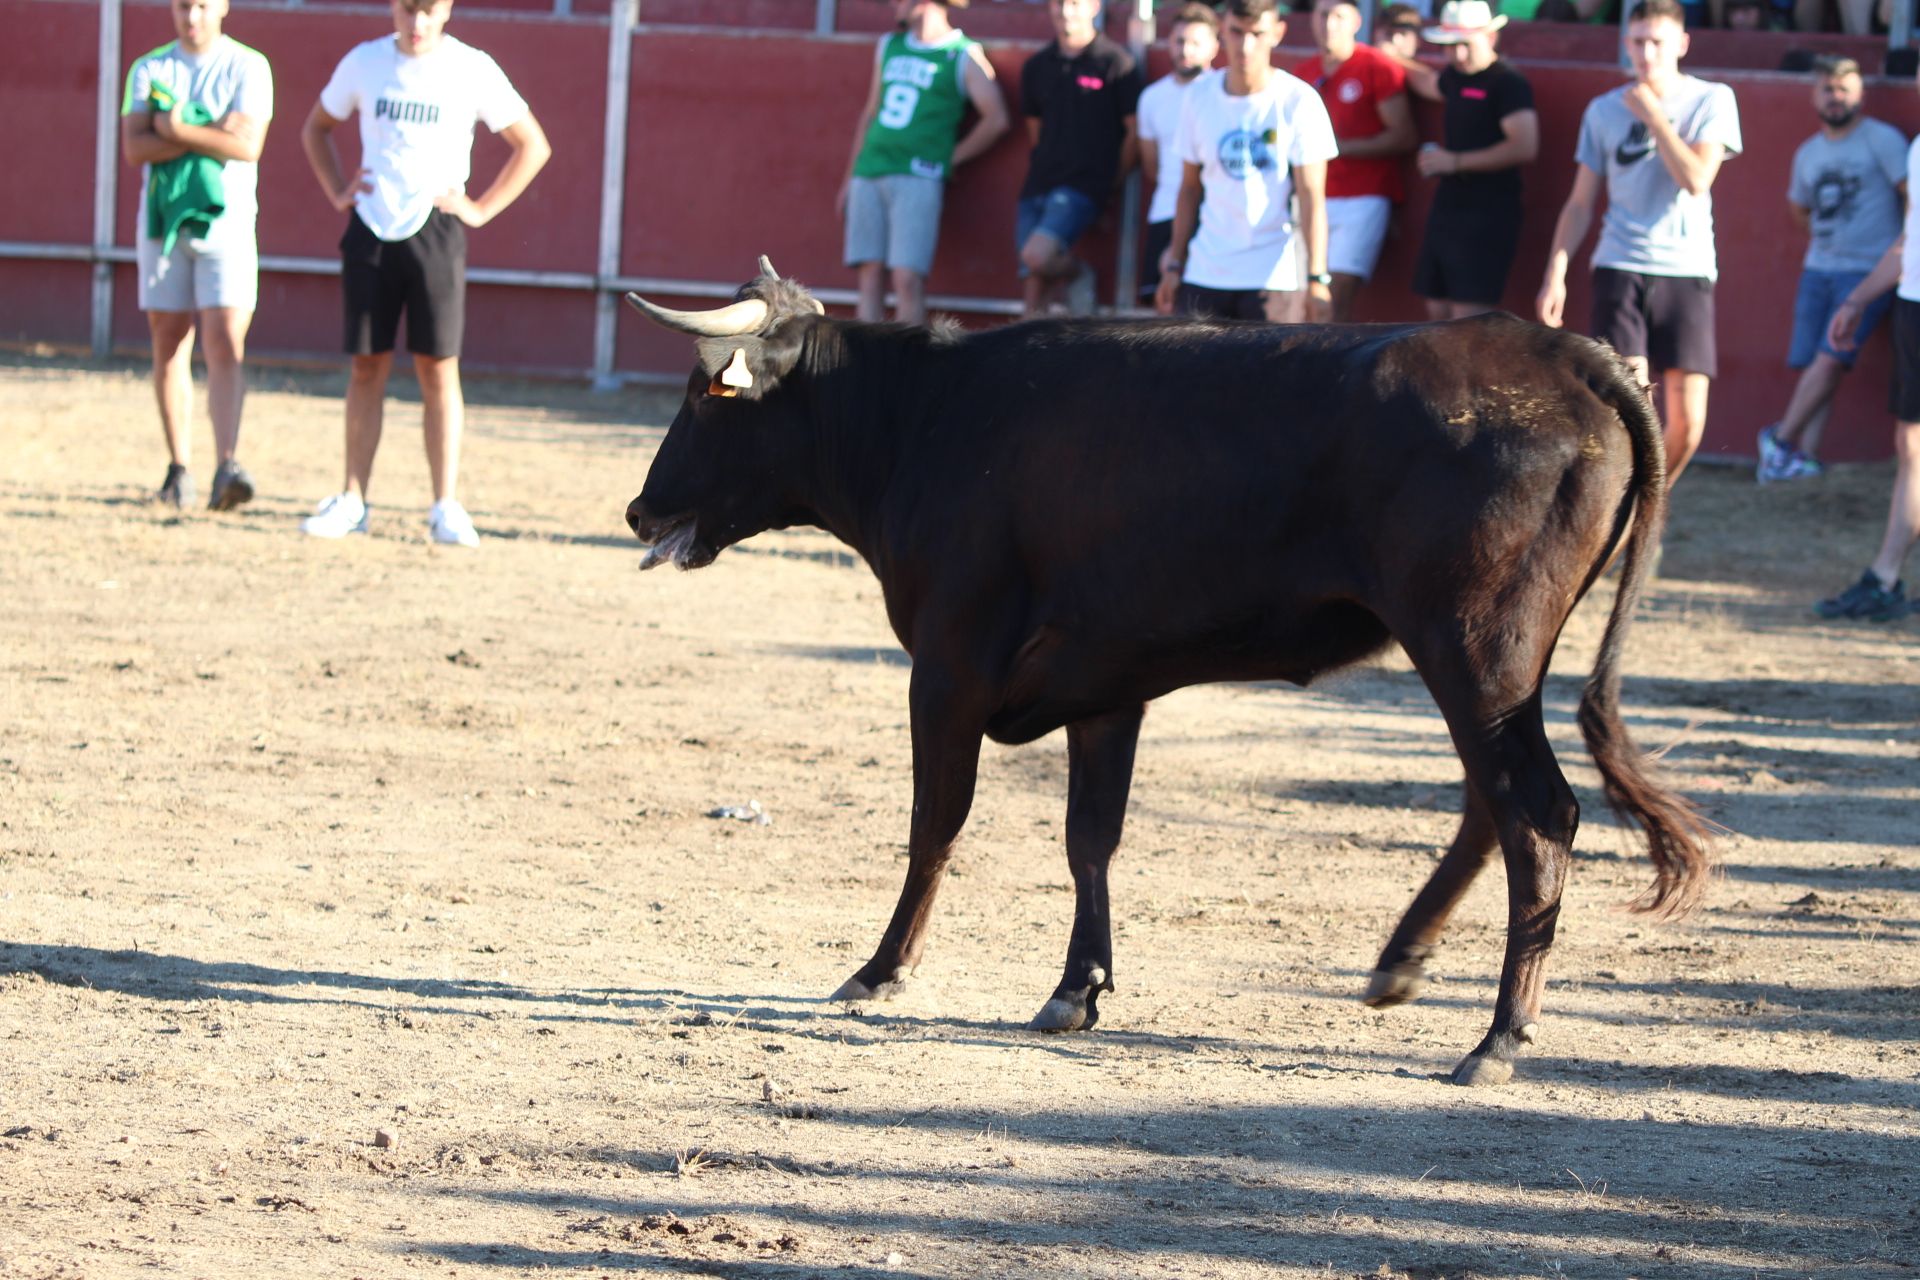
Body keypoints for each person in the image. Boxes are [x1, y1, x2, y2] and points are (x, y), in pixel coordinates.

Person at [298, 0, 551, 546]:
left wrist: (480, 208)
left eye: (428, 10)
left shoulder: (472, 67)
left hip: (436, 231)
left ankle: (445, 506)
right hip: (371, 227)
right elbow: (315, 128)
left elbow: (532, 144)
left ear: (447, 10)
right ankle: (352, 499)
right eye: (408, 9)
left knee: (438, 369)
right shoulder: (364, 62)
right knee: (367, 366)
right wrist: (338, 189)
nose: (416, 23)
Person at [1535, 0, 1740, 484]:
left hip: (1687, 267)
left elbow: (1696, 179)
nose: (1646, 54)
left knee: (1687, 424)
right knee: (1630, 411)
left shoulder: (1712, 99)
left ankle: (1649, 504)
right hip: (1620, 264)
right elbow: (1581, 201)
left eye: (1657, 42)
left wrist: (1654, 116)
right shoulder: (1604, 109)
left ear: (1682, 44)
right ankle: (1622, 514)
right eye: (1637, 42)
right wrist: (1556, 272)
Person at [120, 0, 272, 512]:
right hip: (163, 223)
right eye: (183, 4)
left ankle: (226, 465)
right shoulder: (149, 68)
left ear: (223, 7)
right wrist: (212, 136)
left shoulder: (248, 66)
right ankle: (179, 467)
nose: (192, 16)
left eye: (203, 5)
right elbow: (134, 148)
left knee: (226, 338)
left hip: (226, 224)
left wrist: (175, 130)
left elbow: (248, 147)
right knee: (168, 339)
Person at [1757, 56, 1906, 483]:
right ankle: (1806, 458)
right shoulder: (1808, 152)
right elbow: (1799, 209)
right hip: (1818, 267)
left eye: (1844, 89)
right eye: (1828, 89)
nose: (1836, 98)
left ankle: (1779, 442)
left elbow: (1911, 199)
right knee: (1819, 364)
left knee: (1830, 356)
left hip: (1868, 271)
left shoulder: (1883, 140)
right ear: (1814, 95)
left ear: (1860, 93)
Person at [1153, 0, 1337, 323]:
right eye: (1237, 32)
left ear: (1277, 33)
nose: (1246, 45)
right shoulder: (1197, 97)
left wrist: (1317, 279)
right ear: (1223, 31)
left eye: (1257, 33)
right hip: (1205, 270)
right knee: (1193, 374)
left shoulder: (1299, 101)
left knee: (1269, 375)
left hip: (1272, 276)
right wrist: (1174, 264)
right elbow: (1188, 190)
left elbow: (1312, 197)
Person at [838, 0, 1008, 326]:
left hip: (917, 177)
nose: (893, 4)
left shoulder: (962, 53)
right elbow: (871, 113)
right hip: (870, 169)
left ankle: (908, 369)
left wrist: (950, 158)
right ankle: (862, 368)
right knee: (869, 273)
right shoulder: (890, 44)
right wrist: (849, 177)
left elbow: (996, 118)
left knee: (907, 278)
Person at [1816, 96, 1920, 623]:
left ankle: (1884, 575)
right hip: (1913, 306)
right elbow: (1910, 240)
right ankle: (1885, 577)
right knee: (1911, 444)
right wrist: (1858, 298)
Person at [1406, 0, 1538, 320]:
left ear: (1490, 38)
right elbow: (1427, 83)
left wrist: (1455, 162)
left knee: (1467, 318)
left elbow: (1524, 146)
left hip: (1489, 211)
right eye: (1449, 46)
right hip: (1449, 206)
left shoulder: (1507, 83)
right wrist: (1389, 58)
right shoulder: (1454, 76)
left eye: (1465, 44)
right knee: (1435, 304)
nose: (1457, 55)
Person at [1017, 0, 1143, 317]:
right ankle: (1030, 358)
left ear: (1094, 6)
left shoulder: (1116, 62)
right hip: (1039, 182)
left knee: (1037, 256)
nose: (1065, 10)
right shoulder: (1037, 66)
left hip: (1085, 184)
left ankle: (1078, 273)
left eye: (1074, 2)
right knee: (1032, 283)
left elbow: (1134, 133)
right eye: (1059, 3)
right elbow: (1035, 128)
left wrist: (1111, 182)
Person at [1293, 0, 1417, 322]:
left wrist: (1337, 147)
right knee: (1297, 293)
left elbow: (1403, 135)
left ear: (1356, 21)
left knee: (1337, 293)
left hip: (1364, 195)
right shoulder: (1303, 74)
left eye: (1338, 16)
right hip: (1313, 197)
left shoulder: (1377, 66)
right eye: (1322, 15)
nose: (1329, 24)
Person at [1136, 4, 1220, 304]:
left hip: (1212, 216)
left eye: (1196, 42)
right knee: (1162, 308)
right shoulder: (1151, 98)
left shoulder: (1223, 93)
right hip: (1164, 212)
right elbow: (1150, 165)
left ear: (1215, 47)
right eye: (1180, 41)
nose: (1186, 50)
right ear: (1169, 43)